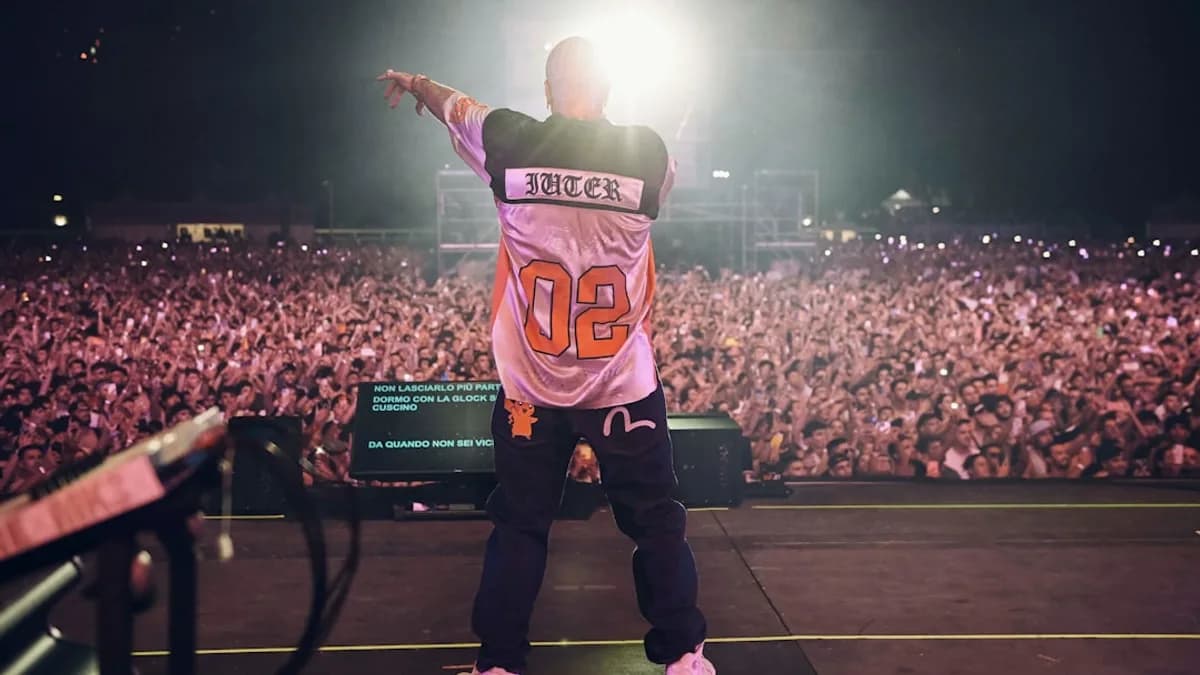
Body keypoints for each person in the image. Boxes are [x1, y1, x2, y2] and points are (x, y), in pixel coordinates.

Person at [378, 36, 711, 675]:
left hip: (532, 385)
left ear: (548, 88)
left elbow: (457, 106)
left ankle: (500, 662)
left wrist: (416, 79)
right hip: (621, 385)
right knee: (657, 523)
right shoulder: (648, 154)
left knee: (521, 526)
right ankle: (684, 657)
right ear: (609, 89)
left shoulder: (509, 140)